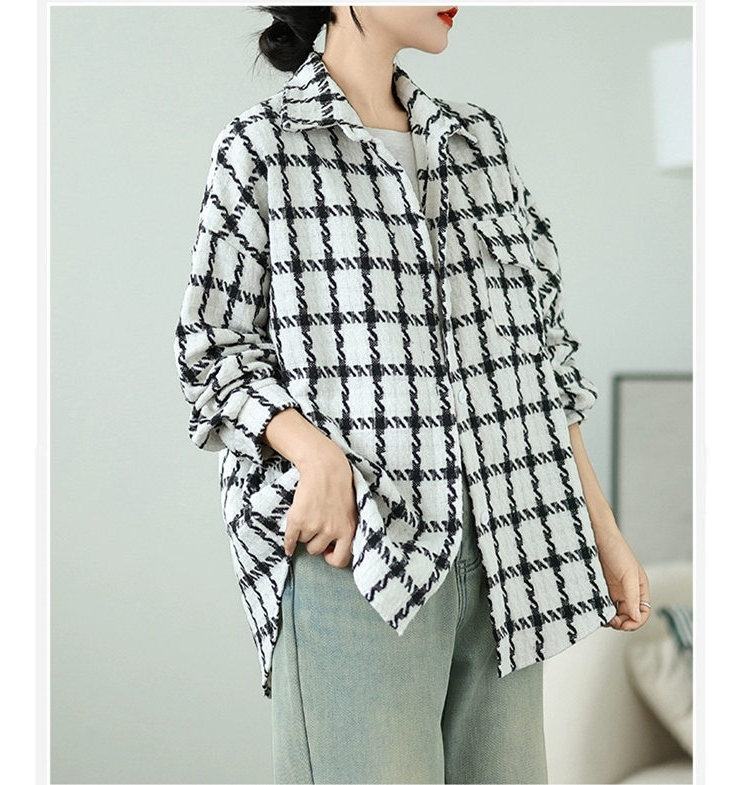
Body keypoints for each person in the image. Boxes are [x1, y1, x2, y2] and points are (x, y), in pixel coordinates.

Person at [173, 6, 651, 784]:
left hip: (511, 553)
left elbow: (543, 356)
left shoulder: (478, 143)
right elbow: (213, 349)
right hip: (358, 553)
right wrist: (316, 457)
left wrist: (602, 528)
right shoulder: (265, 145)